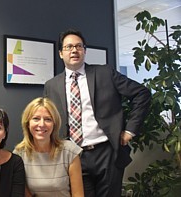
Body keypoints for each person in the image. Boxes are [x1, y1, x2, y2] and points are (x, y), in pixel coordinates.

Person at [43, 28, 151, 197]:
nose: (74, 50)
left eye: (79, 46)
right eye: (69, 47)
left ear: (84, 51)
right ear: (60, 53)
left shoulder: (105, 73)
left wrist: (130, 130)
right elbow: (48, 119)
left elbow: (141, 94)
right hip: (73, 154)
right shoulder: (52, 85)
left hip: (106, 153)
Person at [14, 97, 84, 197]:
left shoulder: (70, 151)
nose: (42, 124)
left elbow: (78, 195)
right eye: (36, 119)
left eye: (48, 119)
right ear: (27, 123)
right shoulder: (19, 154)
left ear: (54, 124)